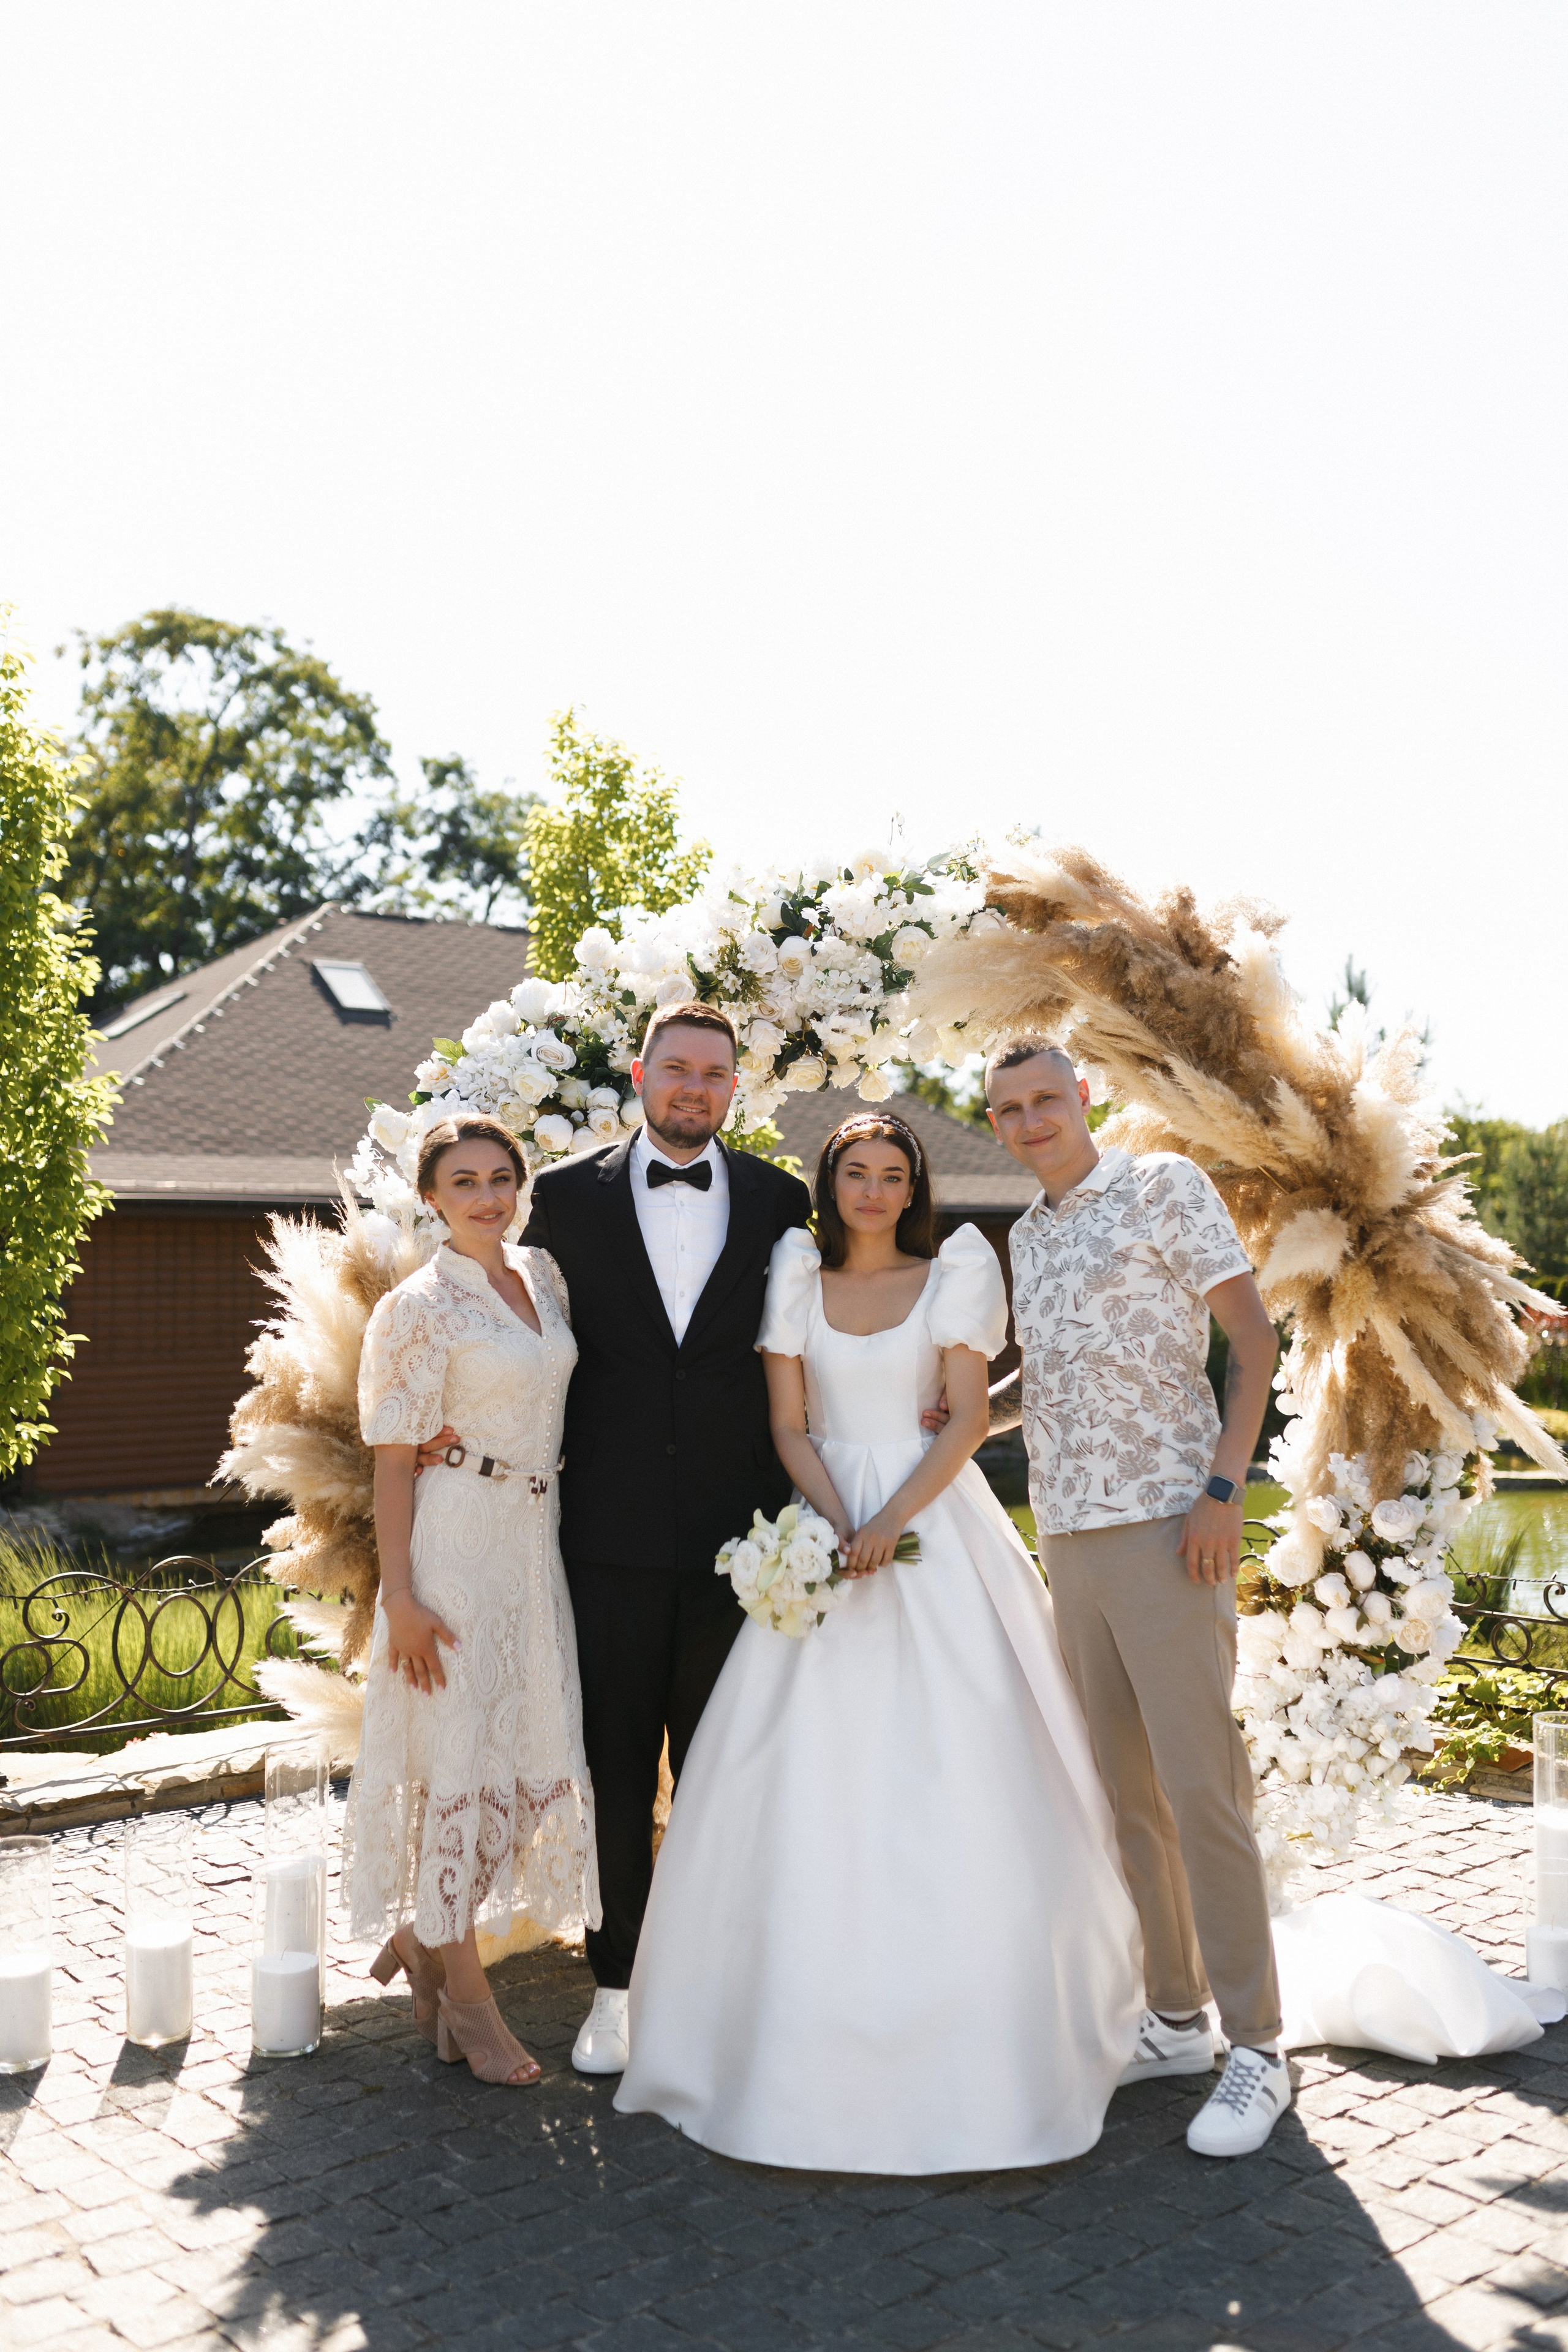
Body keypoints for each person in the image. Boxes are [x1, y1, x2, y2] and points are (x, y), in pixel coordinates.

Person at [613, 1113, 1144, 2173]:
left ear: (913, 1189)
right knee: (798, 1770)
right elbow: (789, 1425)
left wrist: (893, 1518)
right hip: (823, 1522)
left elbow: (961, 1419)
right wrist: (831, 1524)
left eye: (892, 1174)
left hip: (932, 1519)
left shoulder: (953, 1271)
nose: (872, 1189)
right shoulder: (797, 1278)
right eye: (855, 1171)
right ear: (831, 1183)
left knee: (971, 1755)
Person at [422, 1003, 813, 2074]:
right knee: (611, 1767)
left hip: (746, 1542)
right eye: (676, 1069)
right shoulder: (560, 1201)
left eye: (715, 1074)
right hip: (601, 1538)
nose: (694, 1088)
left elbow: (816, 1341)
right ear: (641, 1074)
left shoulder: (785, 1202)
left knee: (724, 1765)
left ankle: (722, 1975)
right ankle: (619, 1984)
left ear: (738, 1087)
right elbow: (518, 1330)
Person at [984, 1040, 1289, 2158]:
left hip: (1173, 1530)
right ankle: (1178, 2018)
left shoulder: (1166, 1186)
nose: (1029, 1121)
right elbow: (1051, 1374)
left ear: (1085, 1100)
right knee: (1127, 1800)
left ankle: (1259, 2044)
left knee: (1203, 1789)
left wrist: (1224, 1491)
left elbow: (1252, 1344)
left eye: (1045, 1101)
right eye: (1008, 1109)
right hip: (1066, 1538)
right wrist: (963, 1416)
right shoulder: (1028, 1232)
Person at [344, 1113, 599, 2085]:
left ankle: (423, 1931)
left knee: (537, 1767)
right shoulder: (414, 1308)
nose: (489, 1197)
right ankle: (468, 1998)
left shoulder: (543, 1277)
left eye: (502, 1178)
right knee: (462, 1759)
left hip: (536, 1542)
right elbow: (396, 1465)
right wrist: (399, 1595)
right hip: (454, 1544)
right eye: (465, 1183)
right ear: (431, 1198)